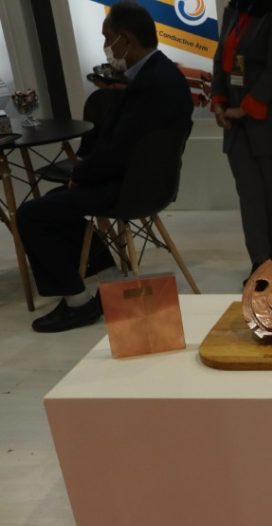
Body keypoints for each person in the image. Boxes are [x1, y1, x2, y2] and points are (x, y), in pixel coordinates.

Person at [17, 1, 192, 333]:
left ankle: (78, 303)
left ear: (126, 39)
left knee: (31, 214)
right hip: (150, 184)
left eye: (107, 38)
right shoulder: (162, 73)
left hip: (130, 188)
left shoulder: (150, 84)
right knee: (55, 203)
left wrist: (80, 175)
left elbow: (119, 150)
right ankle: (102, 277)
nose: (106, 47)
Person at [210, 0, 272, 280]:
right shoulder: (233, 9)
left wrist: (246, 107)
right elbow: (220, 59)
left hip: (265, 121)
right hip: (234, 122)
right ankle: (259, 264)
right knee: (250, 197)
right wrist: (218, 101)